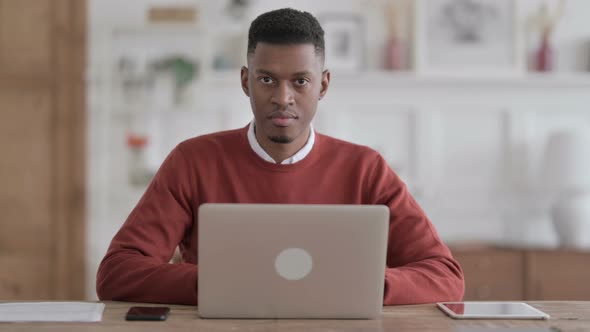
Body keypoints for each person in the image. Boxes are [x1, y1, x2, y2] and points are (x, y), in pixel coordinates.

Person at [97, 8, 464, 305]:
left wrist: (362, 286)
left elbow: (444, 276)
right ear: (245, 81)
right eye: (267, 80)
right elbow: (117, 272)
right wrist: (220, 284)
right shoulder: (192, 161)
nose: (283, 97)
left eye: (300, 81)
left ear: (323, 85)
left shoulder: (366, 169)